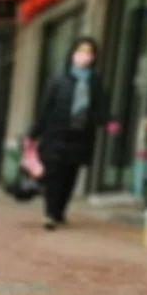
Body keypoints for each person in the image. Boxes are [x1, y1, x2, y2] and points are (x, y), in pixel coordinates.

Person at [29, 36, 108, 230]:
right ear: (73, 53)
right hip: (56, 134)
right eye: (81, 51)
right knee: (54, 174)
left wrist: (109, 121)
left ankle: (60, 210)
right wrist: (34, 132)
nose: (84, 55)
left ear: (94, 57)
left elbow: (100, 108)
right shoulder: (58, 79)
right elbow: (45, 108)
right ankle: (50, 213)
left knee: (70, 176)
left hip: (80, 135)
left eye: (89, 52)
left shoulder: (95, 82)